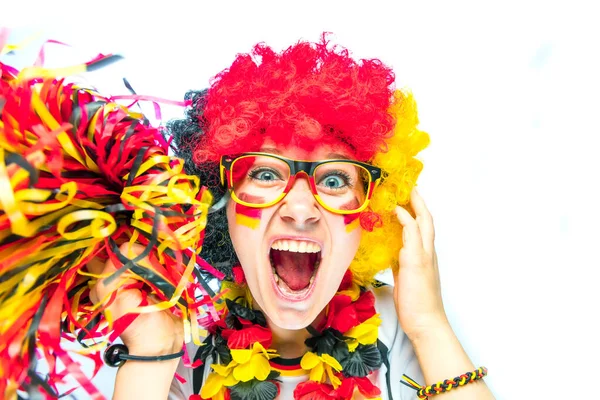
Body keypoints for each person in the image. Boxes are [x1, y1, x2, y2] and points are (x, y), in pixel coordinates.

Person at [88, 37, 495, 400]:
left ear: (370, 212)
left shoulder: (399, 325)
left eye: (334, 179)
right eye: (265, 174)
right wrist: (152, 352)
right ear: (218, 201)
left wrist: (429, 324)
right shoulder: (183, 342)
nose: (300, 210)